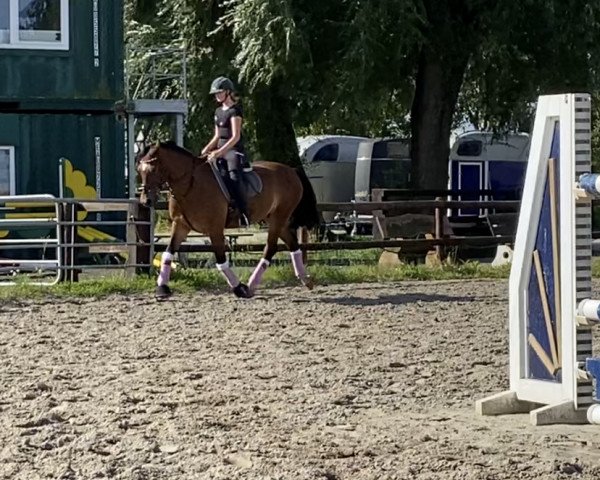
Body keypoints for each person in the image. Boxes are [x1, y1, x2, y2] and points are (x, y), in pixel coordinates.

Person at [201, 76, 250, 227]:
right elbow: (217, 135)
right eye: (215, 93)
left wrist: (220, 152)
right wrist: (207, 148)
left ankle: (243, 212)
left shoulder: (235, 111)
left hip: (233, 150)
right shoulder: (218, 111)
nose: (216, 95)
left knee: (233, 177)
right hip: (219, 149)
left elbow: (235, 136)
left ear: (228, 92)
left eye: (219, 92)